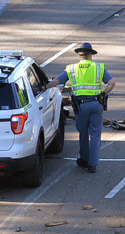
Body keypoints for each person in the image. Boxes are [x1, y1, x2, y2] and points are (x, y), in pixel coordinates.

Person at [46, 43, 115, 173]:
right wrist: (103, 94)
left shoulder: (71, 68)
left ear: (79, 56)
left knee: (83, 133)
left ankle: (84, 159)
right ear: (90, 55)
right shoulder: (99, 67)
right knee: (95, 134)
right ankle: (93, 164)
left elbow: (56, 82)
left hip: (81, 106)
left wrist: (44, 87)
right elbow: (112, 83)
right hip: (96, 104)